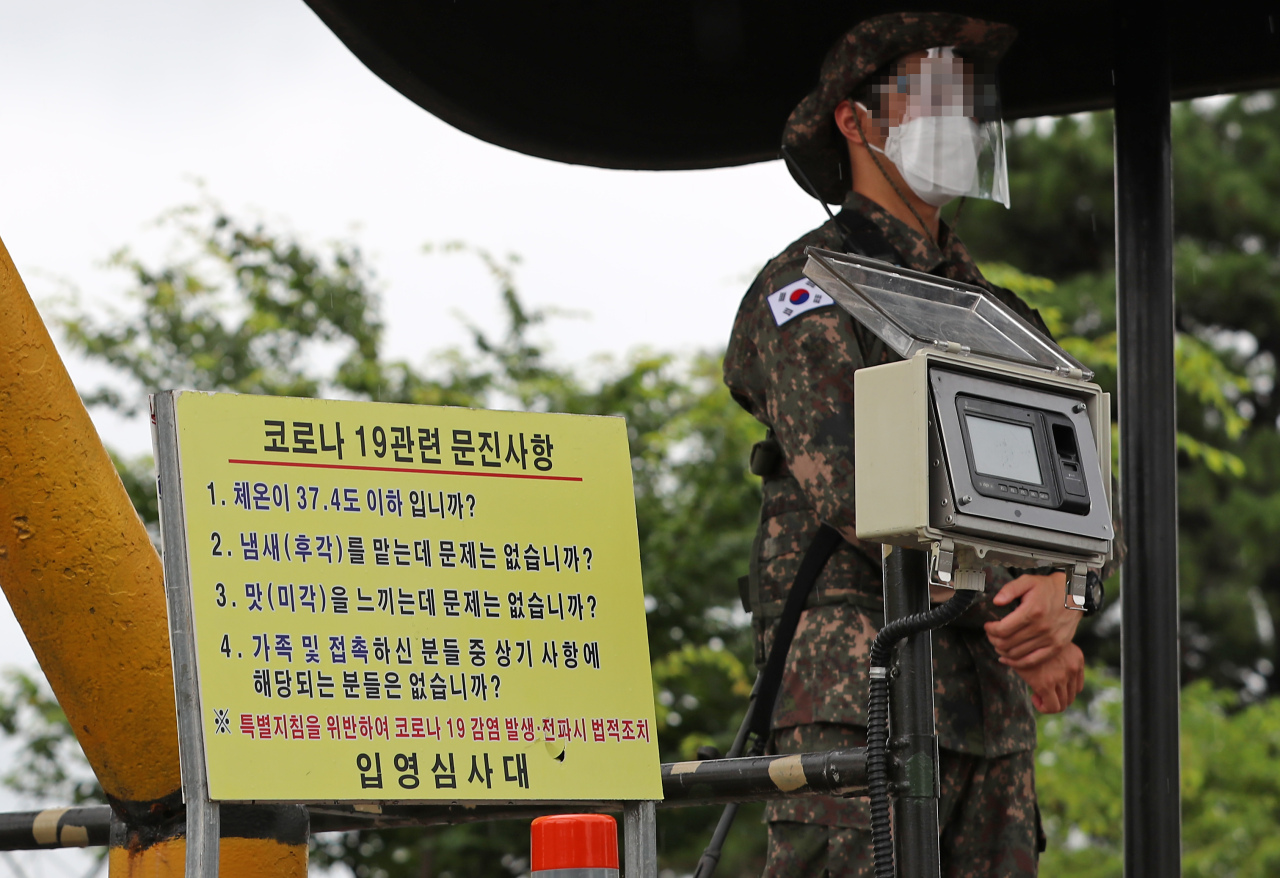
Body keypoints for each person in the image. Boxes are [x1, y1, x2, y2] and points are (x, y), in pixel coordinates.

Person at [723, 12, 1102, 877]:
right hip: (864, 702)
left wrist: (1070, 597)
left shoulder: (1002, 315)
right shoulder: (807, 288)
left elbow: (1085, 490)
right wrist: (1025, 613)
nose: (957, 121)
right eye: (932, 95)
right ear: (855, 122)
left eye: (968, 101)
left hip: (989, 724)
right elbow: (855, 484)